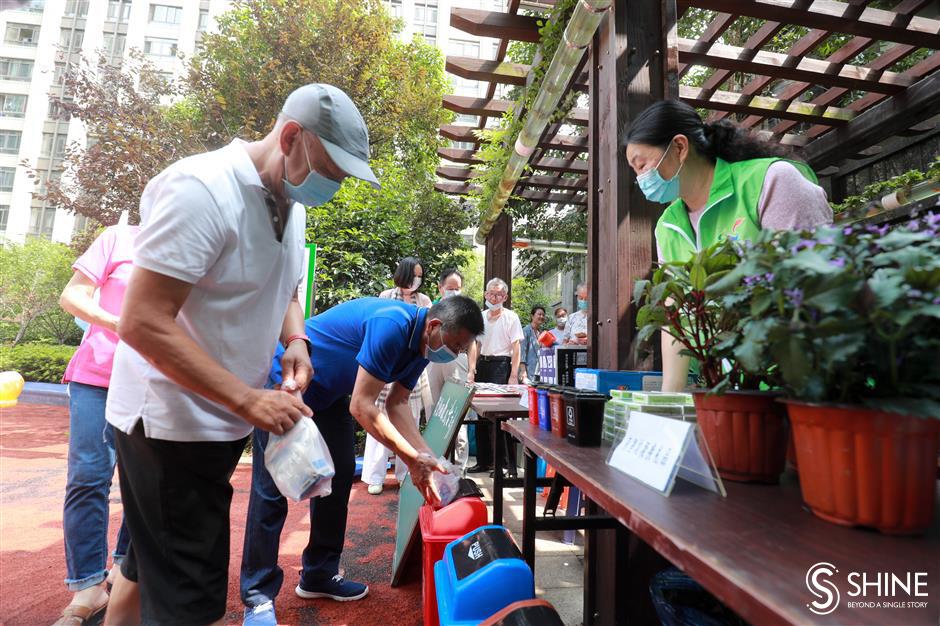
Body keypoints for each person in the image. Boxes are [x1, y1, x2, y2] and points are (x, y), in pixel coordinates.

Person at [103, 83, 381, 626]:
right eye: (332, 168)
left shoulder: (292, 202)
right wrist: (248, 400)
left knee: (145, 566)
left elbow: (286, 286)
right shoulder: (201, 189)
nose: (337, 184)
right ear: (291, 136)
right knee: (189, 600)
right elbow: (142, 321)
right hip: (168, 427)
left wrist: (295, 338)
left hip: (217, 422)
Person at [239, 295, 483, 626]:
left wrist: (428, 456)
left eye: (460, 349)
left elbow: (397, 404)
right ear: (436, 326)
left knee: (338, 479)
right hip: (288, 383)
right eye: (454, 345)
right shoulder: (392, 324)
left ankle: (318, 574)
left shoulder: (422, 346)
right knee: (271, 491)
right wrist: (411, 459)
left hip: (327, 395)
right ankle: (258, 597)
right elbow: (363, 406)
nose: (452, 354)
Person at [622, 99, 832, 392]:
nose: (640, 179)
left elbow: (810, 289)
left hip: (798, 387)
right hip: (726, 391)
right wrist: (670, 398)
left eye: (642, 165)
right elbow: (676, 316)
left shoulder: (771, 181)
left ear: (680, 147)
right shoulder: (667, 226)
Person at [53, 225, 137, 626]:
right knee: (87, 478)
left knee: (145, 483)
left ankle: (124, 572)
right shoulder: (117, 238)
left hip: (156, 380)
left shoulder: (196, 243)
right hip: (97, 376)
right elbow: (72, 295)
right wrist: (117, 323)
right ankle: (88, 585)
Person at [362, 256, 433, 495]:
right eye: (415, 274)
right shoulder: (384, 296)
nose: (418, 279)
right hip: (384, 365)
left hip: (409, 368)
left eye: (420, 276)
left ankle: (405, 473)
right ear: (403, 274)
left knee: (408, 418)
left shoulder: (424, 300)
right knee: (377, 417)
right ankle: (375, 476)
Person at [467, 278, 524, 475]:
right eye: (491, 293)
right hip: (483, 364)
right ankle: (484, 461)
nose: (494, 297)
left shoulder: (511, 317)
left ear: (505, 297)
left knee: (500, 417)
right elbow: (475, 345)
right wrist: (471, 369)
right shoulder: (480, 317)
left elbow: (516, 347)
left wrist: (513, 375)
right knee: (481, 416)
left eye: (499, 294)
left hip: (501, 366)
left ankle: (505, 465)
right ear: (485, 294)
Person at [425, 268, 476, 474]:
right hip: (432, 360)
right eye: (450, 288)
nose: (454, 292)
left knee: (457, 412)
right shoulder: (431, 308)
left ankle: (459, 469)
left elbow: (473, 343)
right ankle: (434, 463)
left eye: (458, 288)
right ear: (440, 287)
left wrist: (472, 369)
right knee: (433, 411)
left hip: (458, 361)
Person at [519, 305, 546, 383]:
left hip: (538, 372)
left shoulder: (541, 333)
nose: (541, 316)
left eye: (543, 315)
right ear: (532, 316)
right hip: (527, 371)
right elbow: (522, 352)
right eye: (539, 314)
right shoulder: (525, 331)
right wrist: (523, 371)